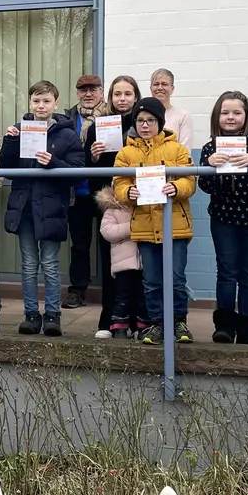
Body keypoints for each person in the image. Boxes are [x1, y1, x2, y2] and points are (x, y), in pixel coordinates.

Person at [1, 80, 86, 336]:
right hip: (25, 206)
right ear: (30, 103)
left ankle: (52, 315)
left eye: (46, 101)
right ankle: (30, 314)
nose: (41, 105)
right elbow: (6, 168)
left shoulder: (67, 134)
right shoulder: (19, 130)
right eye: (36, 101)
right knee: (28, 264)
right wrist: (10, 141)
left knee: (49, 263)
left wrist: (54, 162)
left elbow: (78, 172)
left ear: (56, 103)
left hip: (51, 207)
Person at [113, 97, 197, 345]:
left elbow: (190, 179)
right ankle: (157, 323)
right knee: (151, 280)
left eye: (150, 120)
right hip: (145, 228)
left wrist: (177, 187)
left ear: (160, 122)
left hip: (175, 227)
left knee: (176, 278)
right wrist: (128, 193)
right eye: (140, 120)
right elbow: (119, 183)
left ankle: (179, 321)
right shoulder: (126, 153)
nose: (145, 125)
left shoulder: (177, 150)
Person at [199, 91, 248, 346]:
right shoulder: (210, 146)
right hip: (224, 219)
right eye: (225, 112)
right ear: (217, 116)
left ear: (246, 116)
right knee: (227, 273)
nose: (230, 117)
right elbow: (205, 186)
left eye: (236, 112)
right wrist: (210, 165)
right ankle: (225, 327)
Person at [86, 75, 144, 335]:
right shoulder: (98, 126)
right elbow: (89, 172)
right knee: (112, 264)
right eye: (117, 94)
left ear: (136, 96)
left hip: (140, 200)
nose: (122, 99)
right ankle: (109, 320)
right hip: (111, 203)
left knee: (139, 265)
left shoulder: (146, 122)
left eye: (128, 94)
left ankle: (136, 320)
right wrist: (95, 156)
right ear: (110, 97)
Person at [66, 74, 107, 309]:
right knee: (79, 245)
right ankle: (77, 290)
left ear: (102, 92)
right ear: (77, 93)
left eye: (93, 89)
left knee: (109, 243)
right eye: (83, 90)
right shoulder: (68, 119)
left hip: (103, 191)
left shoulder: (112, 117)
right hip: (77, 191)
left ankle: (112, 293)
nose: (88, 94)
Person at [95, 185, 144, 340]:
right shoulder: (113, 209)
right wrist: (132, 227)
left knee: (142, 296)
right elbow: (107, 231)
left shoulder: (145, 208)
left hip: (142, 263)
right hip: (122, 264)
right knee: (121, 296)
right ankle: (118, 327)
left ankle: (140, 327)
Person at [149, 68, 195, 153]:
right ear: (151, 88)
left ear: (172, 88)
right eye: (156, 84)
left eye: (164, 84)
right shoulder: (143, 116)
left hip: (174, 165)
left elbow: (184, 151)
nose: (160, 88)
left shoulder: (183, 116)